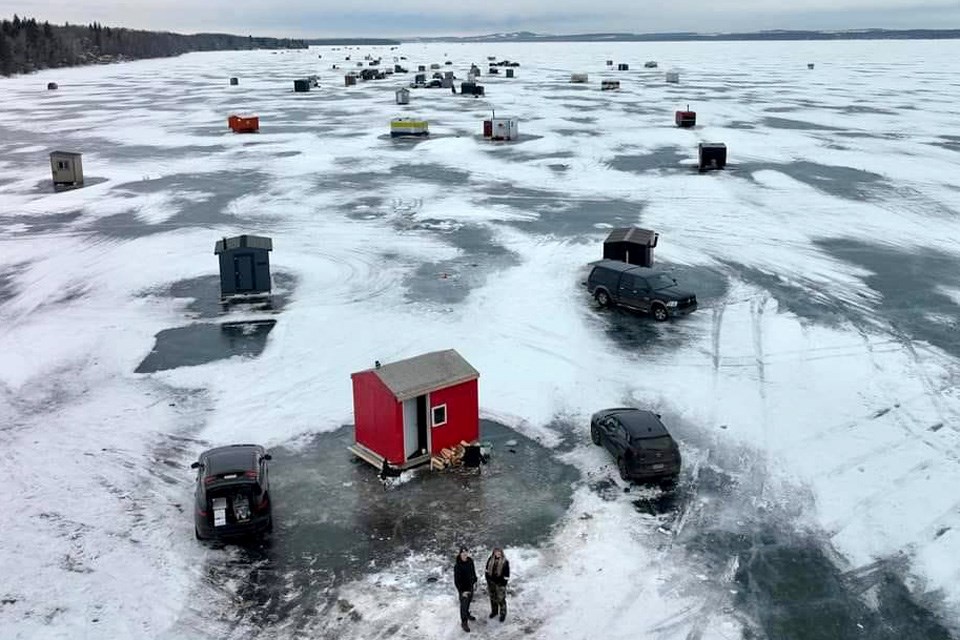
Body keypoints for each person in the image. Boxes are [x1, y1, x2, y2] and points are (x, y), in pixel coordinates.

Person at [454, 546, 478, 632]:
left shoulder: (470, 561)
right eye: (463, 552)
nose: (464, 554)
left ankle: (467, 614)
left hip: (470, 586)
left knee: (469, 602)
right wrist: (461, 591)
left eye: (466, 552)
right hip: (463, 589)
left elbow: (473, 571)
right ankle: (464, 622)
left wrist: (475, 580)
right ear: (460, 554)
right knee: (463, 606)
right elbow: (456, 581)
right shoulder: (457, 566)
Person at [484, 547, 510, 622]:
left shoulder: (505, 562)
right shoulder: (490, 559)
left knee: (501, 599)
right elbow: (486, 570)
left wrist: (503, 584)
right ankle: (494, 612)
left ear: (501, 553)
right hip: (491, 583)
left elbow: (507, 575)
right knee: (493, 598)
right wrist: (487, 579)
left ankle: (503, 614)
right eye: (496, 552)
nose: (497, 553)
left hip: (500, 584)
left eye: (499, 552)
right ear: (494, 553)